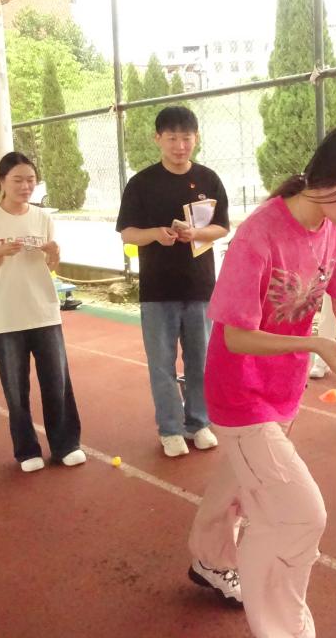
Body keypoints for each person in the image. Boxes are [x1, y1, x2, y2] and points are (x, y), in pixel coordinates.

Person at [187, 121, 336, 638]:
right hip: (240, 393)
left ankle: (209, 559)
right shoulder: (259, 235)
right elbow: (237, 337)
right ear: (329, 180)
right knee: (298, 516)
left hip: (281, 391)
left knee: (239, 481)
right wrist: (312, 345)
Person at [116, 106, 230, 457]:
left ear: (196, 138)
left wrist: (196, 233)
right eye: (172, 138)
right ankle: (170, 429)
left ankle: (199, 422)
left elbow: (222, 227)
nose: (180, 146)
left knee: (201, 361)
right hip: (157, 291)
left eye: (186, 138)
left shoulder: (209, 179)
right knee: (162, 364)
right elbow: (127, 233)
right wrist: (155, 234)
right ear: (158, 139)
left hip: (200, 288)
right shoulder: (142, 183)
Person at [0, 152, 87, 471]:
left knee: (57, 382)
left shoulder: (42, 218)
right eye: (17, 180)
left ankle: (65, 444)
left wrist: (55, 253)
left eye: (31, 180)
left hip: (43, 311)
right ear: (1, 182)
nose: (25, 186)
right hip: (4, 316)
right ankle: (26, 450)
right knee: (16, 389)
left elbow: (51, 266)